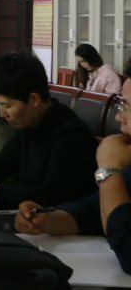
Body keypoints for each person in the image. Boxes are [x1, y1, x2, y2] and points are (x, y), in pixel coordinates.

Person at [14, 60, 131, 274]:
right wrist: (48, 220)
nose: (118, 117)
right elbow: (92, 209)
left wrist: (109, 172)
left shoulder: (70, 132)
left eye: (127, 107)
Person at [0, 51, 98, 209]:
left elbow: (50, 195)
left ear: (33, 100)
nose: (2, 114)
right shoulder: (30, 123)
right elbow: (3, 163)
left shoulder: (70, 134)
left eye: (6, 105)